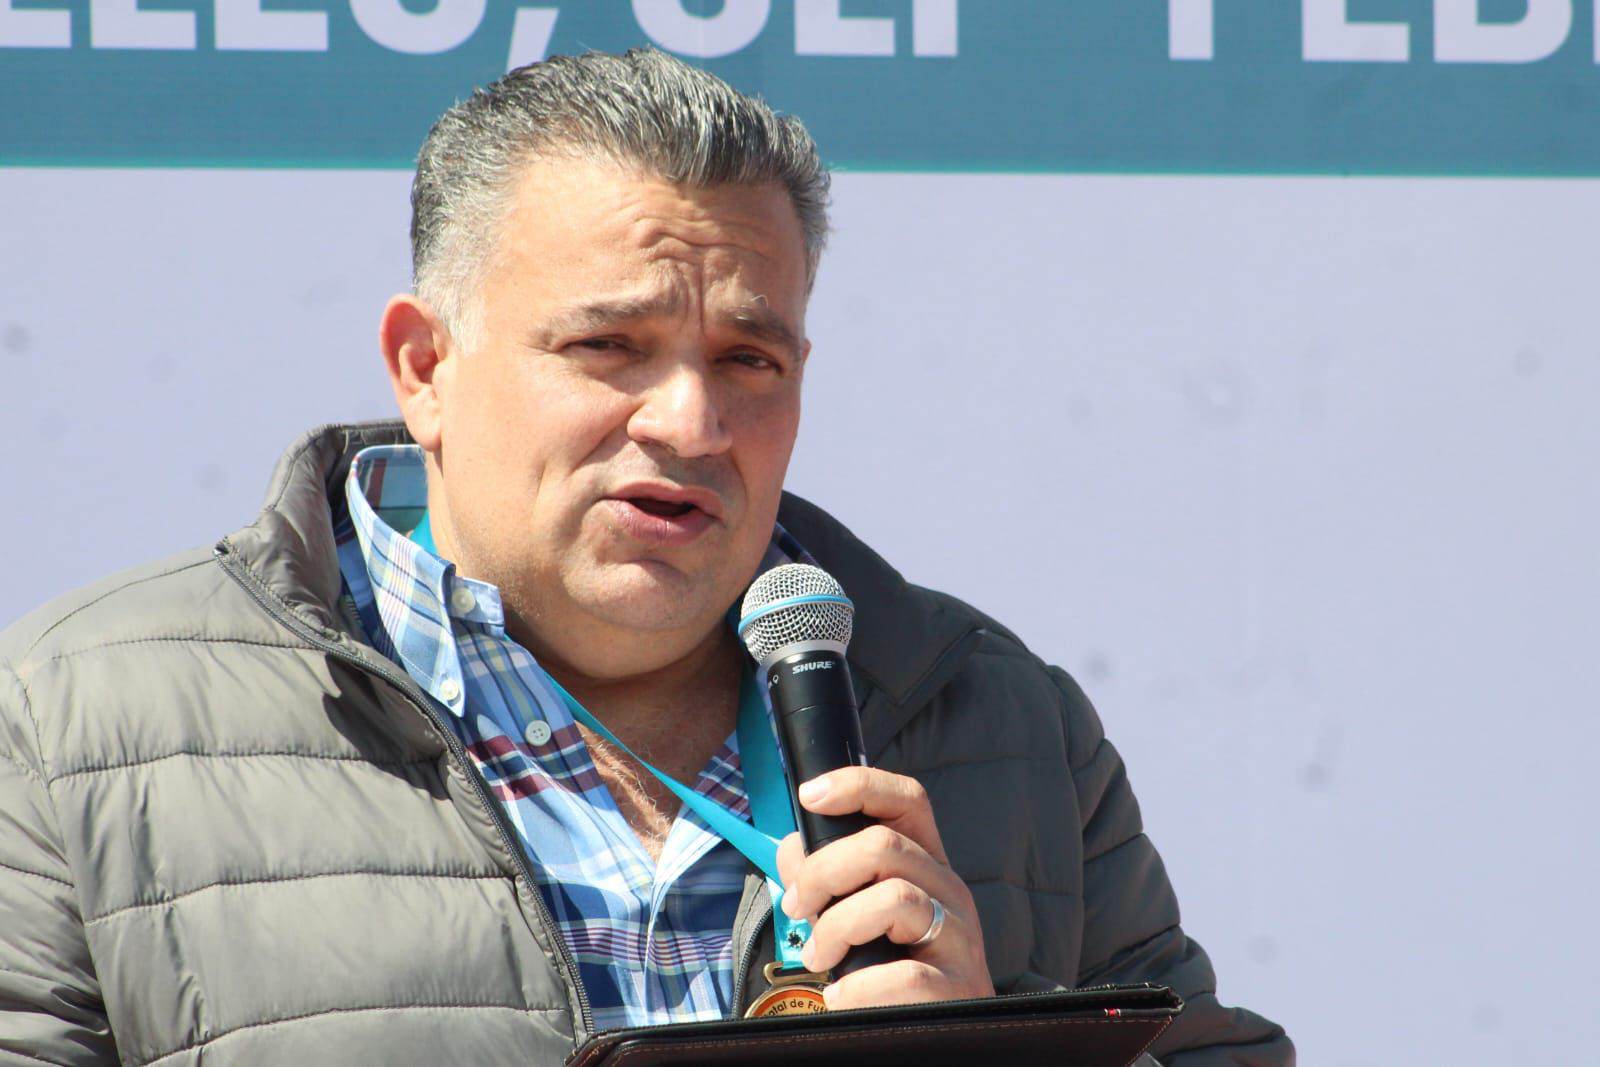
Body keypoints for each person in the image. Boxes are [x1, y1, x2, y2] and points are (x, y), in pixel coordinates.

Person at [0, 49, 1292, 1065]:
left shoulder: (994, 716)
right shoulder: (78, 723)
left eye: (748, 359)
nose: (690, 422)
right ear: (426, 367)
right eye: (608, 348)